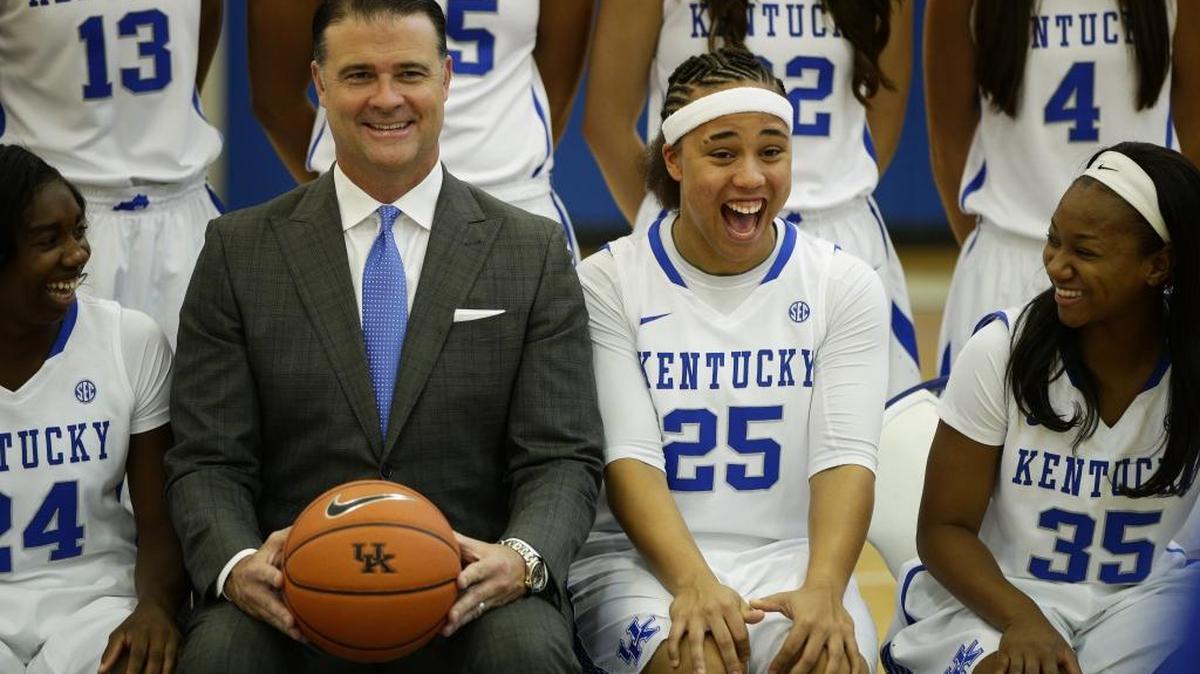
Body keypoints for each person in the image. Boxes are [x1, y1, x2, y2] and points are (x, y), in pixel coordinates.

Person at [163, 1, 604, 672]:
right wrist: (234, 564)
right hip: (293, 591)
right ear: (318, 83)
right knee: (221, 653)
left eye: (410, 73)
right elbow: (207, 459)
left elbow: (562, 457)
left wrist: (520, 558)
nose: (387, 98)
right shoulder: (237, 250)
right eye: (359, 75)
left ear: (447, 78)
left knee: (528, 652)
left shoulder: (531, 251)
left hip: (469, 589)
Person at [569, 48, 887, 674]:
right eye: (722, 153)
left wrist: (825, 586)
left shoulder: (842, 283)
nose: (751, 177)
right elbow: (629, 458)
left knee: (829, 663)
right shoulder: (608, 282)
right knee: (700, 664)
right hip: (640, 563)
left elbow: (845, 456)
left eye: (771, 152)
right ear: (673, 159)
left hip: (793, 554)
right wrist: (693, 580)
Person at [882, 142, 1200, 673]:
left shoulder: (1188, 370)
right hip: (993, 596)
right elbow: (943, 530)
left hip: (1137, 601)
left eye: (1086, 251)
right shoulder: (1001, 350)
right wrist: (1022, 619)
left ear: (1157, 265)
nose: (1057, 265)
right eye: (1054, 241)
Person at [585, 0, 919, 398]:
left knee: (876, 441)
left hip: (842, 233)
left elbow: (882, 121)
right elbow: (607, 121)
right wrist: (686, 222)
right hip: (695, 240)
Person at [927, 0, 1199, 376]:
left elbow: (1192, 128)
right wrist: (992, 245)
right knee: (988, 429)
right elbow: (948, 142)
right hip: (1008, 254)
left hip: (1130, 271)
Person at [0, 145, 185, 674]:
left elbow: (159, 524)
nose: (77, 254)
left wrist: (154, 606)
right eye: (48, 240)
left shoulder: (128, 340)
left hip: (95, 605)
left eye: (79, 231)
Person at [248, 0, 591, 260]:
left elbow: (554, 89)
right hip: (361, 213)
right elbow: (276, 98)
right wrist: (353, 194)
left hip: (513, 204)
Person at [0, 0, 225, 347]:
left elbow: (208, 11)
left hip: (182, 204)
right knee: (47, 397)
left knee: (208, 396)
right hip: (52, 218)